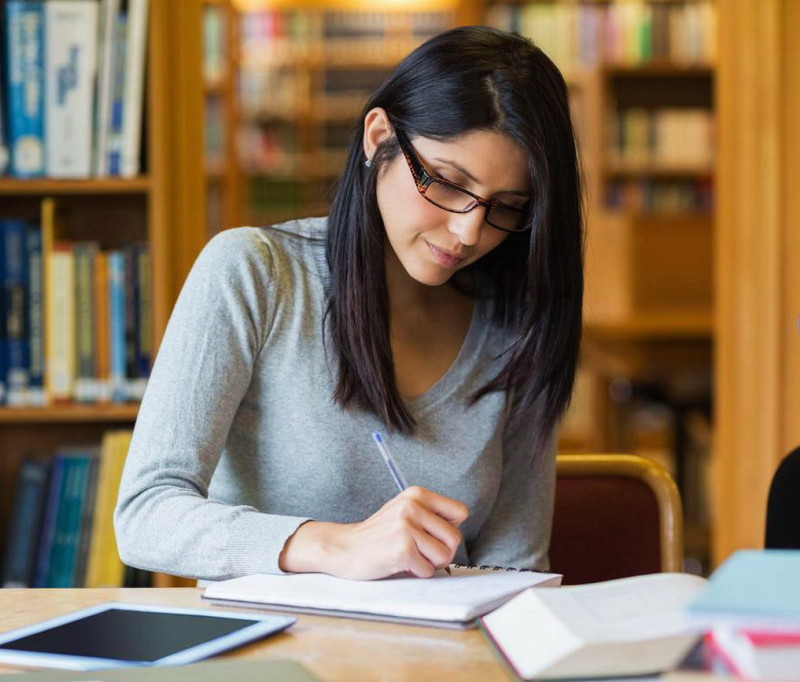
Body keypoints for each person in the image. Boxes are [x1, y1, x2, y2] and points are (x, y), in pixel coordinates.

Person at [115, 25, 583, 582]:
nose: (467, 232)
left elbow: (514, 568)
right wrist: (334, 547)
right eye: (447, 183)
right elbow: (145, 515)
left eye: (506, 206)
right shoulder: (254, 273)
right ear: (378, 135)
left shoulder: (518, 324)